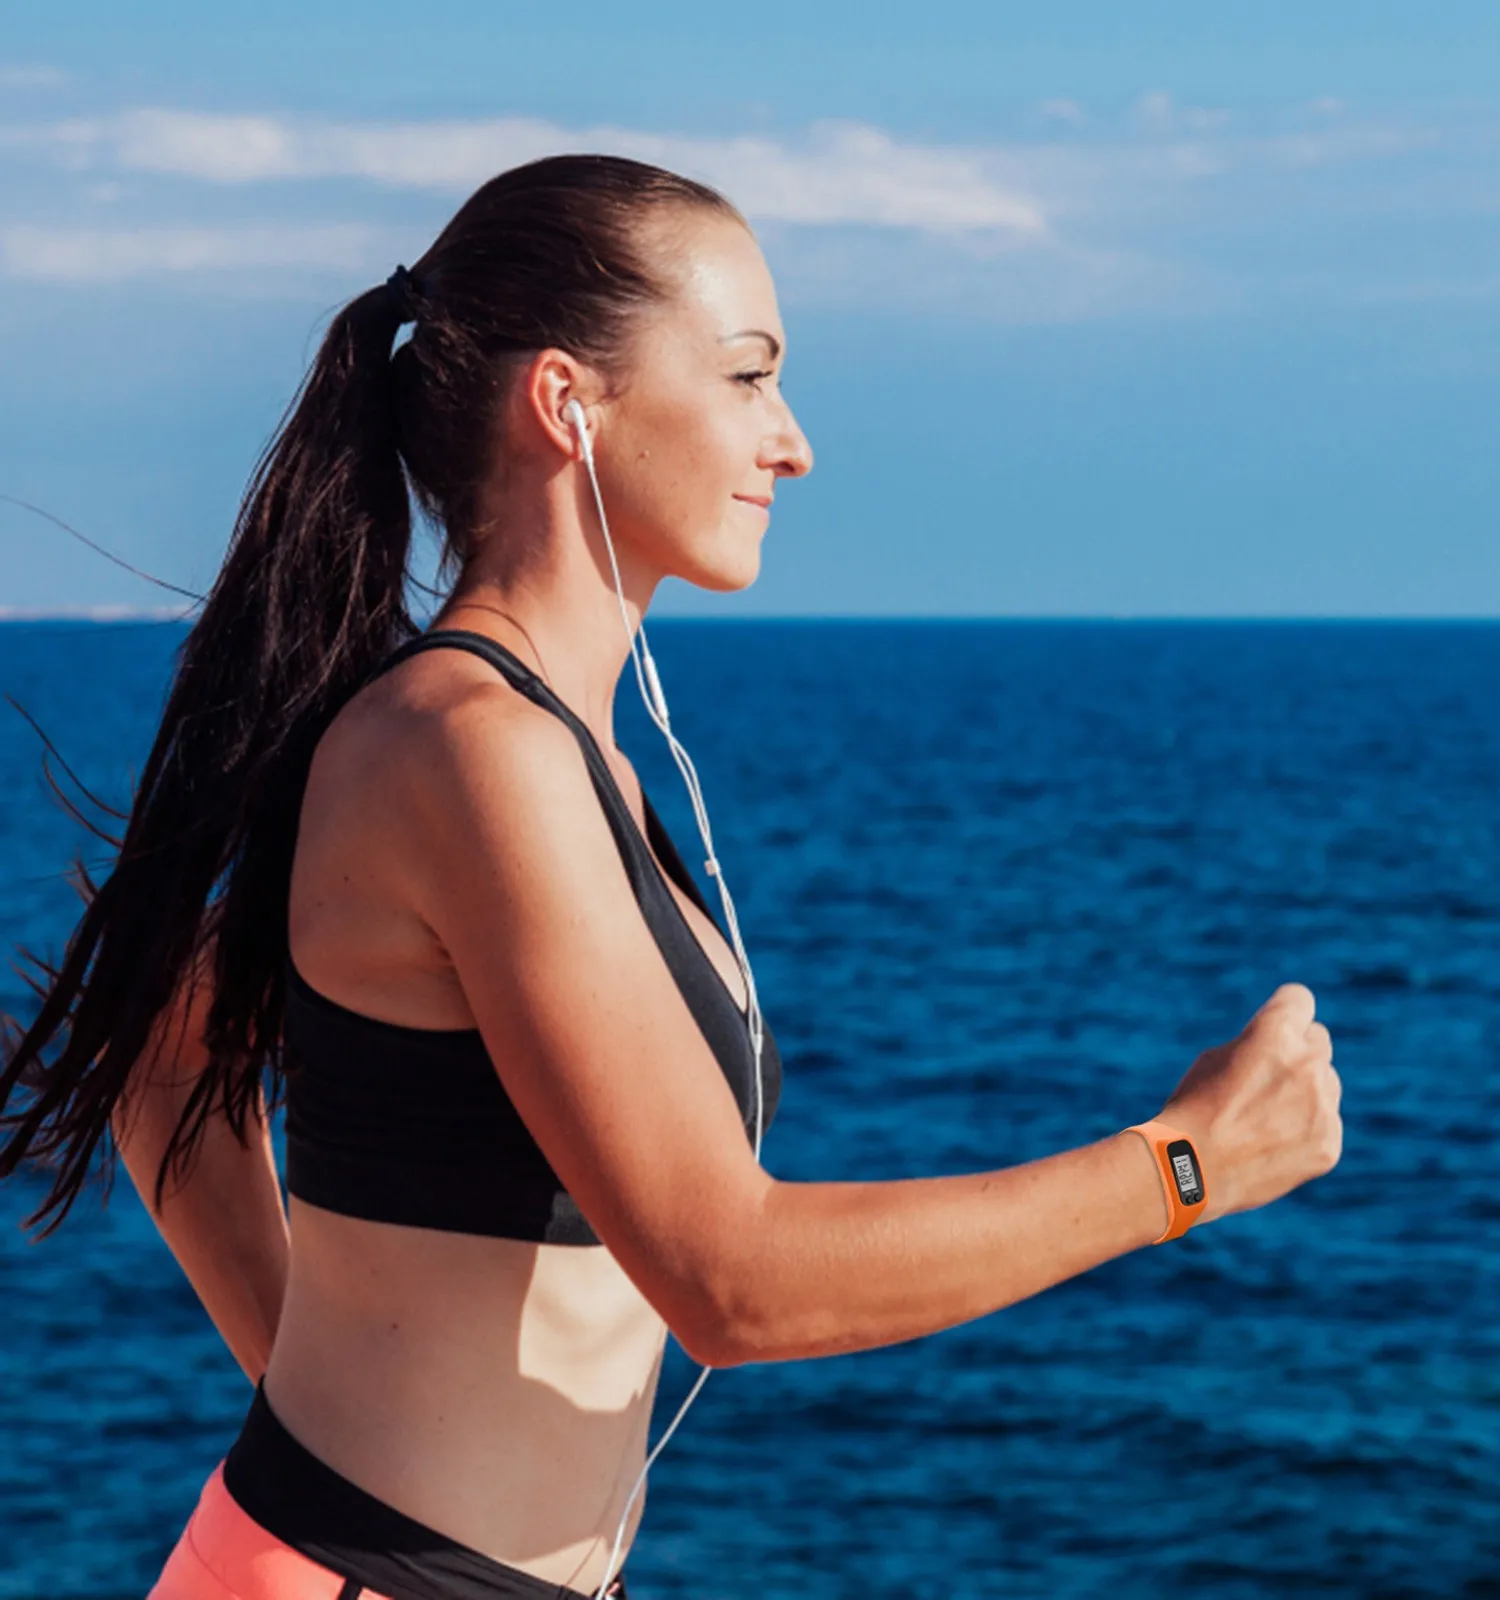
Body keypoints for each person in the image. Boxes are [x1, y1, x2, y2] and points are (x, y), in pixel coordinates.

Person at [0, 153, 1343, 1600]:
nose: (796, 443)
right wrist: (1187, 1165)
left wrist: (330, 1392)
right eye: (751, 377)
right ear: (568, 403)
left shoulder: (546, 756)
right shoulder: (468, 750)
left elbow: (162, 1044)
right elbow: (728, 1281)